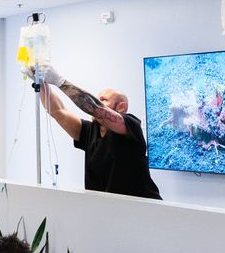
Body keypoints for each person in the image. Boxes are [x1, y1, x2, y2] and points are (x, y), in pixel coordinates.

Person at [40, 68, 162, 200]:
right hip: (106, 208)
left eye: (103, 100)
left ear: (121, 107)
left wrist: (59, 81)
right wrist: (40, 82)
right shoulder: (88, 131)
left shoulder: (131, 125)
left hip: (143, 209)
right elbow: (58, 111)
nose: (95, 102)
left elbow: (96, 109)